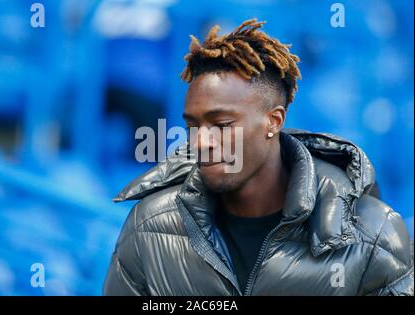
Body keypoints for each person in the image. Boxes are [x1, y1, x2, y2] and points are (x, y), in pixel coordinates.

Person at [103, 19, 413, 296]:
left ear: (274, 122)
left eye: (222, 125)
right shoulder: (149, 225)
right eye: (193, 125)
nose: (202, 142)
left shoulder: (374, 235)